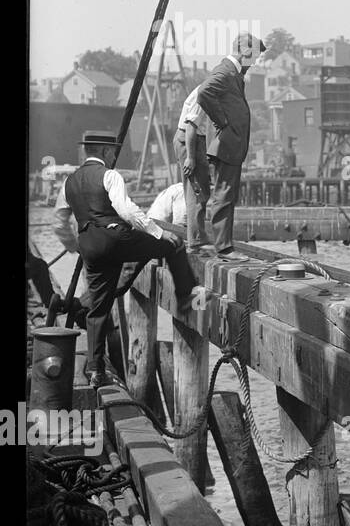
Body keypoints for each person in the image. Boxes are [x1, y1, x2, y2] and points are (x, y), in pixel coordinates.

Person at [52, 130, 198, 388]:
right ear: (106, 152)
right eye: (112, 152)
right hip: (116, 239)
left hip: (90, 246)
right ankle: (187, 297)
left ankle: (95, 370)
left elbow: (59, 221)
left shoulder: (69, 182)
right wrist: (159, 233)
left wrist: (75, 245)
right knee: (171, 246)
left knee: (98, 309)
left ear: (87, 151)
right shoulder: (109, 175)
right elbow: (127, 211)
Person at [196, 32, 265, 255]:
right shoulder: (226, 71)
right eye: (253, 57)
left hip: (231, 146)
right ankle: (224, 249)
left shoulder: (234, 74)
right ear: (245, 51)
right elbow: (204, 92)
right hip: (226, 145)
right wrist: (223, 122)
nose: (254, 63)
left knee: (227, 195)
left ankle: (224, 245)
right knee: (224, 196)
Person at [174, 83, 213, 250]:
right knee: (196, 192)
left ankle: (198, 236)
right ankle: (196, 239)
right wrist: (190, 157)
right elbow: (191, 126)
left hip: (193, 140)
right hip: (191, 141)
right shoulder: (206, 93)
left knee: (198, 190)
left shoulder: (207, 90)